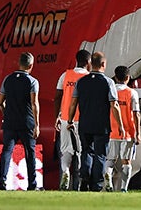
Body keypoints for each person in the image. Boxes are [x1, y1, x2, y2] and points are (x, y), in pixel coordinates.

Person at [67, 52, 124, 192]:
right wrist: (120, 125)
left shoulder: (81, 81)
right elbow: (114, 105)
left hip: (84, 124)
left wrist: (70, 119)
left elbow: (73, 103)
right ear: (103, 64)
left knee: (86, 152)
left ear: (91, 64)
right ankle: (96, 184)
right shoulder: (108, 82)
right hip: (102, 125)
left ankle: (84, 179)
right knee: (100, 155)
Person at [0, 52, 40, 191]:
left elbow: (0, 102)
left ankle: (2, 182)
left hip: (10, 122)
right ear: (31, 65)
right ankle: (32, 185)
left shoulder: (7, 79)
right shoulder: (32, 81)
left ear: (19, 63)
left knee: (7, 151)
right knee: (30, 153)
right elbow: (34, 103)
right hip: (27, 122)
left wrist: (6, 114)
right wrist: (37, 124)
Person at [54, 49, 91, 190]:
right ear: (88, 63)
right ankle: (81, 182)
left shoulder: (65, 75)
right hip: (83, 120)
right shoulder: (89, 78)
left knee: (66, 150)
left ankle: (65, 173)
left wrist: (57, 116)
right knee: (82, 151)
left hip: (65, 119)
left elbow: (57, 97)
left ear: (76, 60)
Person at [104, 66, 140, 192]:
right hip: (128, 132)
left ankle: (108, 176)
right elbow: (136, 114)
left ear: (115, 77)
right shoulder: (132, 93)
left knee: (110, 159)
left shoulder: (109, 90)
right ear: (128, 78)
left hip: (111, 131)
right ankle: (124, 188)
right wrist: (138, 133)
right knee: (126, 161)